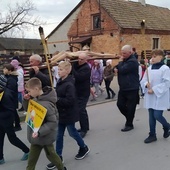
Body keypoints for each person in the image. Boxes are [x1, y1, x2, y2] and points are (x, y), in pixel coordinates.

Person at [46, 61, 90, 170]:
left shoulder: (69, 84)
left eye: (61, 70)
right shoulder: (60, 81)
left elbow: (70, 101)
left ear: (67, 71)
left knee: (72, 132)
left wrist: (57, 99)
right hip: (61, 113)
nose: (58, 71)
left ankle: (83, 147)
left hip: (69, 113)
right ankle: (58, 157)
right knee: (59, 135)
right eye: (58, 69)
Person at [23, 77, 66, 170]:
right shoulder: (35, 99)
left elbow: (52, 122)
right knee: (33, 160)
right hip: (37, 136)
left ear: (36, 89)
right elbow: (29, 111)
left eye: (29, 91)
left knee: (51, 156)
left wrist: (39, 132)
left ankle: (61, 168)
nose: (28, 94)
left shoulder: (47, 104)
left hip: (43, 136)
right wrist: (26, 100)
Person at [0, 64, 29, 165]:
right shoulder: (3, 92)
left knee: (12, 138)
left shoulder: (6, 94)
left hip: (6, 118)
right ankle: (0, 158)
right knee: (0, 137)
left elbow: (10, 107)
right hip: (3, 117)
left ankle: (27, 151)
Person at [140, 49, 170, 143]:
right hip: (150, 96)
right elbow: (143, 80)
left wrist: (155, 89)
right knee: (151, 116)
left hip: (160, 96)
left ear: (160, 57)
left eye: (154, 56)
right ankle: (152, 134)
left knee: (157, 115)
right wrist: (146, 84)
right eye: (151, 56)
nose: (152, 58)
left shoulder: (165, 69)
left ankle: (167, 126)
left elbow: (167, 83)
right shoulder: (149, 68)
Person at [114, 45, 140, 132]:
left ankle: (129, 124)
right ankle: (129, 117)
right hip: (123, 87)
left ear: (130, 52)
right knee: (120, 104)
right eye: (122, 53)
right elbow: (116, 67)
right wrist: (115, 68)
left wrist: (120, 63)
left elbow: (122, 70)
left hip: (132, 88)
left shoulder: (132, 61)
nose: (122, 54)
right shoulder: (124, 60)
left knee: (131, 107)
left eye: (124, 53)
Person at [72, 52, 91, 138]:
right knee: (82, 110)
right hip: (78, 92)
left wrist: (71, 69)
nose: (79, 60)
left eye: (82, 59)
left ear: (86, 60)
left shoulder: (86, 68)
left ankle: (84, 129)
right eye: (79, 58)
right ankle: (86, 126)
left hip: (83, 92)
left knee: (80, 110)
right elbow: (74, 64)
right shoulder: (78, 65)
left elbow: (79, 77)